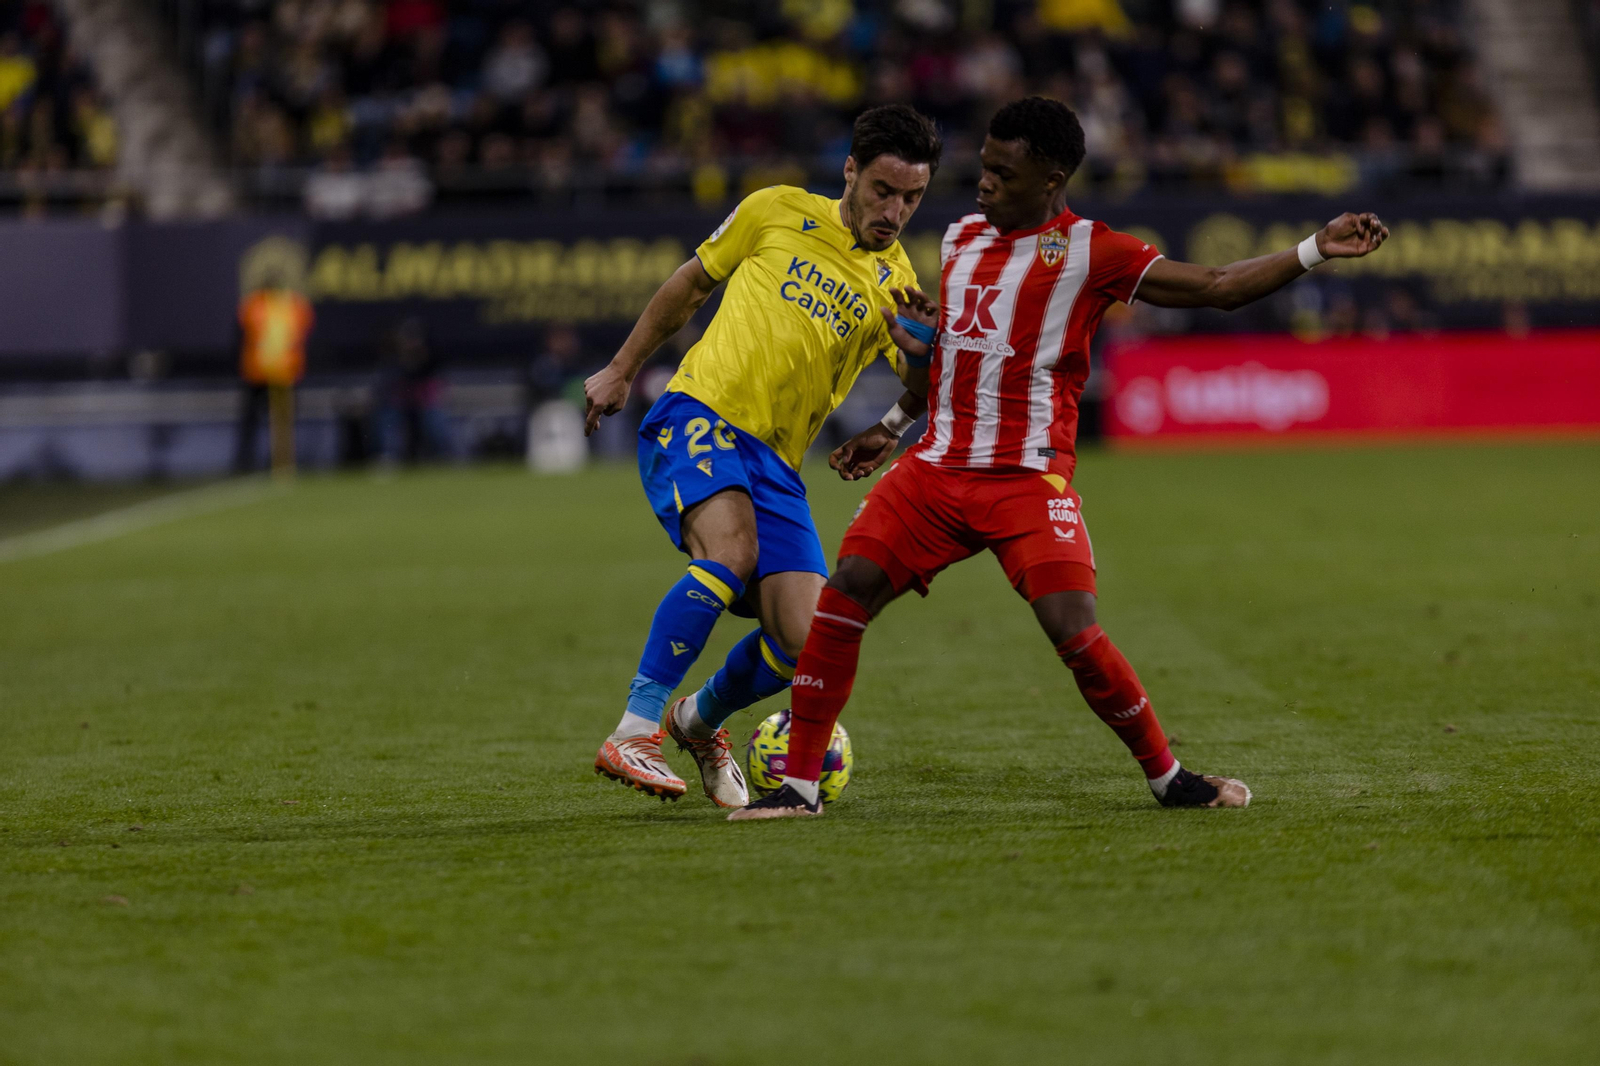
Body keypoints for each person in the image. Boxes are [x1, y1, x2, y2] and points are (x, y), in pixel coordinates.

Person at [729, 96, 1389, 820]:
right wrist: (894, 422)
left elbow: (1217, 288)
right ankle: (796, 790)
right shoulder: (961, 239)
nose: (983, 184)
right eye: (983, 166)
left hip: (1025, 478)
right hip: (937, 469)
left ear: (1050, 180)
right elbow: (955, 352)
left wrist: (1315, 249)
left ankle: (1169, 778)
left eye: (1002, 174)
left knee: (1073, 628)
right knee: (845, 591)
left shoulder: (1092, 251)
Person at [582, 104, 944, 807]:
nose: (895, 211)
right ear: (850, 171)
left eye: (912, 198)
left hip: (778, 466)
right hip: (702, 412)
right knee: (731, 554)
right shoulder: (775, 209)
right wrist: (623, 368)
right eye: (883, 191)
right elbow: (690, 284)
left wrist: (916, 381)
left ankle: (697, 721)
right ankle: (634, 729)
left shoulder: (897, 282)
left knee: (810, 642)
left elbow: (919, 385)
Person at [234, 276, 314, 474]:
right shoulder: (279, 304)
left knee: (281, 421)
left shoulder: (281, 305)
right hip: (263, 372)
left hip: (278, 371)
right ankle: (253, 463)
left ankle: (278, 463)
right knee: (261, 421)